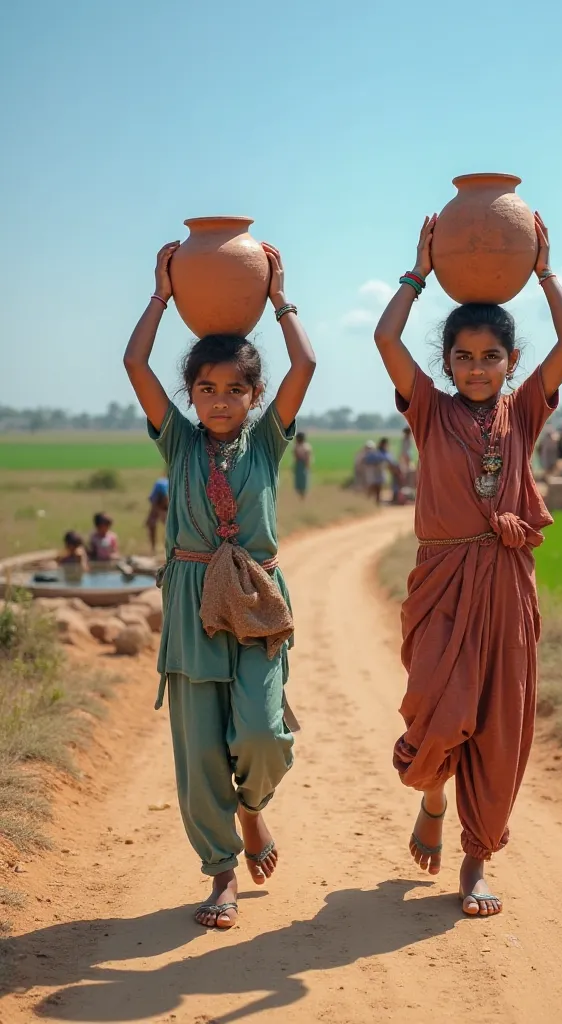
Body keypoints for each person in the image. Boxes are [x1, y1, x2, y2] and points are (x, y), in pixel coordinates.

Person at [373, 211, 562, 918]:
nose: (476, 368)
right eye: (463, 356)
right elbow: (385, 337)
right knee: (436, 716)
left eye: (490, 357)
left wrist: (545, 272)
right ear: (447, 364)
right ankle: (432, 799)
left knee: (498, 724)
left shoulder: (523, 414)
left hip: (506, 586)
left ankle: (475, 861)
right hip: (440, 585)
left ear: (511, 364)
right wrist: (420, 271)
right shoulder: (428, 412)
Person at [123, 239, 316, 930]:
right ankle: (221, 874)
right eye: (206, 388)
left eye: (236, 389)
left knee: (263, 736)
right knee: (201, 748)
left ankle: (253, 808)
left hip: (259, 601)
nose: (221, 400)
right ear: (190, 395)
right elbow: (134, 363)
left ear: (255, 395)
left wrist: (277, 296)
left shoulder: (267, 443)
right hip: (191, 604)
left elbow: (308, 363)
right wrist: (161, 295)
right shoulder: (176, 441)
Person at [363, 437, 396, 505]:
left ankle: (375, 502)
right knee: (373, 488)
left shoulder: (383, 453)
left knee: (378, 489)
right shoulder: (379, 453)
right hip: (375, 473)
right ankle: (369, 502)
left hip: (380, 473)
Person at [147, 475, 169, 552]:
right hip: (161, 502)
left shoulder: (165, 491)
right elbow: (154, 504)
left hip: (165, 503)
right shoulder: (159, 490)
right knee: (151, 524)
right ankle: (153, 548)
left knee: (169, 526)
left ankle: (168, 546)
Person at [293, 432, 312, 498]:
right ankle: (301, 493)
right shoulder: (300, 446)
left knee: (303, 478)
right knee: (300, 478)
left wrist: (307, 465)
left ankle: (302, 493)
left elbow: (307, 457)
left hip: (302, 463)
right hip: (299, 463)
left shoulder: (305, 446)